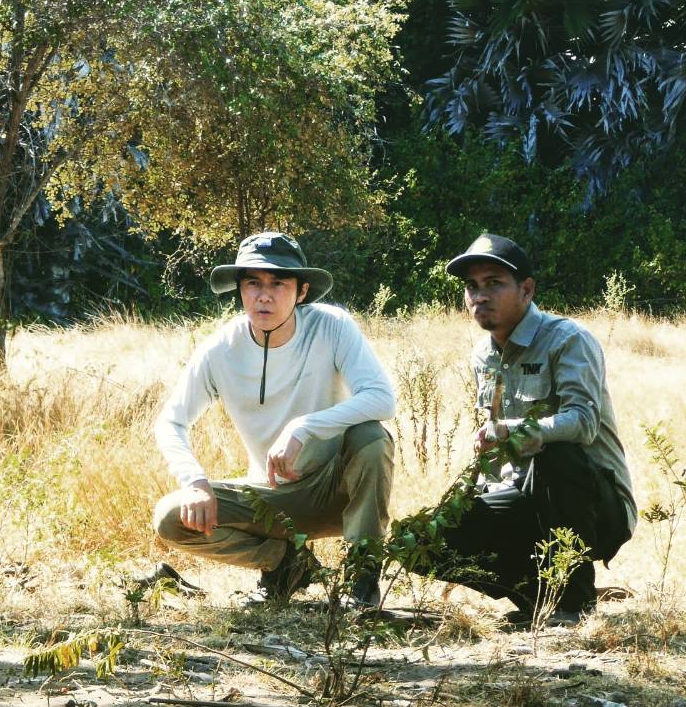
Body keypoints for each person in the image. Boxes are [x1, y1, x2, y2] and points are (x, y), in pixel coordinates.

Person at [150, 232, 395, 606]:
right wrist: (195, 481)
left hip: (339, 491)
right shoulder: (221, 349)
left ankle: (361, 581)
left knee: (371, 438)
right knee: (170, 517)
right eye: (252, 283)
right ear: (240, 290)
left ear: (301, 291)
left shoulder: (331, 326)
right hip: (271, 498)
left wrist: (304, 426)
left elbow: (381, 398)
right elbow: (171, 421)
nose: (264, 295)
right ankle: (286, 564)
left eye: (278, 283)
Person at [407, 234, 634, 621]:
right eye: (471, 287)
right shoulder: (483, 355)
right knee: (421, 540)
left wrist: (515, 430)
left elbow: (583, 424)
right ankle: (538, 596)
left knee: (554, 454)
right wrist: (467, 502)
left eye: (494, 283)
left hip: (594, 505)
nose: (480, 296)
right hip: (521, 497)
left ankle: (572, 603)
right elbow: (496, 446)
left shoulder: (568, 339)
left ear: (526, 290)